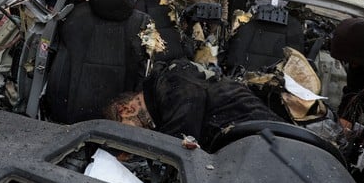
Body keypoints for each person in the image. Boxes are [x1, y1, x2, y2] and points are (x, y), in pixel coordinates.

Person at [104, 58, 283, 147]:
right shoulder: (164, 101)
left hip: (268, 139)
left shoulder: (170, 80)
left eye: (126, 135)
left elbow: (181, 139)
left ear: (125, 110)